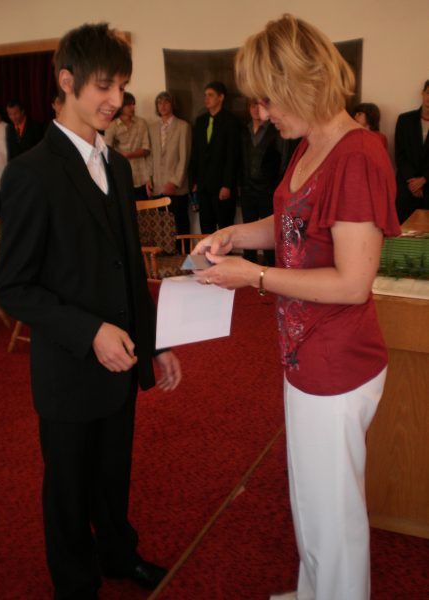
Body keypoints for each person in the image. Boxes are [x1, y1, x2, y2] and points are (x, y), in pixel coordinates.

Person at [192, 14, 400, 600]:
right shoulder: (311, 143)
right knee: (311, 499)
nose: (261, 113)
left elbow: (353, 282)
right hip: (305, 353)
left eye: (266, 99)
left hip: (337, 360)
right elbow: (287, 223)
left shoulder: (357, 155)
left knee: (334, 517)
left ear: (299, 84)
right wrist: (235, 235)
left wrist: (255, 276)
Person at [0, 23, 181, 600]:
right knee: (69, 489)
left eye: (122, 86)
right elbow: (14, 287)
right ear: (66, 81)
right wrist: (90, 331)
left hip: (121, 363)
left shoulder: (117, 166)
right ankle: (75, 585)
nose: (116, 100)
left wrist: (155, 343)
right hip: (70, 370)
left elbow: (128, 268)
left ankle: (119, 555)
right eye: (104, 86)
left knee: (113, 474)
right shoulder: (30, 172)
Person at [190, 81, 240, 233]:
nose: (206, 98)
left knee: (225, 228)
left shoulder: (231, 121)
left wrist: (227, 185)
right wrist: (194, 180)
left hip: (221, 185)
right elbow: (196, 153)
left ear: (221, 97)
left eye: (210, 95)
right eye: (205, 95)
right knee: (206, 228)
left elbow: (232, 156)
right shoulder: (200, 121)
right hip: (203, 185)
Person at [240, 99, 284, 265]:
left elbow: (282, 161)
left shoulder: (275, 129)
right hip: (247, 188)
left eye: (260, 106)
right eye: (253, 106)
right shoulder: (244, 130)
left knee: (269, 231)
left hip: (268, 188)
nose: (256, 110)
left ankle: (271, 266)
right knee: (247, 228)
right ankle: (248, 265)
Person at [147, 91, 192, 238]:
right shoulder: (152, 128)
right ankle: (166, 252)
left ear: (172, 104)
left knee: (179, 225)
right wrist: (149, 179)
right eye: (159, 103)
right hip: (157, 185)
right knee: (161, 227)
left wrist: (175, 182)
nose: (163, 105)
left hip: (176, 187)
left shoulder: (183, 126)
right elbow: (151, 156)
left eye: (166, 102)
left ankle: (183, 251)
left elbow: (184, 157)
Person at [394, 79, 429, 223]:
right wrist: (413, 182)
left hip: (428, 186)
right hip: (406, 185)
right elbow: (399, 154)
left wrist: (424, 179)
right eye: (428, 93)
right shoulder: (404, 120)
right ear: (422, 93)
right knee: (402, 229)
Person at [105, 91, 150, 199]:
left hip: (141, 176)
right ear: (121, 106)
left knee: (144, 207)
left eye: (133, 104)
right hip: (121, 175)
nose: (132, 107)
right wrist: (120, 156)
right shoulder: (112, 125)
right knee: (126, 207)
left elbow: (146, 149)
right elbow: (106, 150)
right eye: (129, 105)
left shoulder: (141, 123)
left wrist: (127, 155)